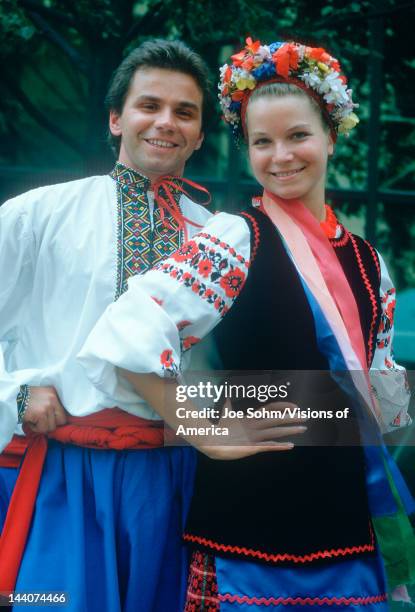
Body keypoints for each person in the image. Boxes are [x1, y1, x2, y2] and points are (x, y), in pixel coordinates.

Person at [79, 38, 415, 609]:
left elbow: (381, 399)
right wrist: (205, 428)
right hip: (249, 516)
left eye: (298, 136)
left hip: (346, 513)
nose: (281, 155)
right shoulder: (236, 237)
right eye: (263, 142)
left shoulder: (368, 261)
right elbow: (129, 329)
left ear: (332, 136)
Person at [0, 39, 217, 612]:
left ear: (199, 135)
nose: (165, 122)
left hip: (177, 477)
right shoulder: (37, 214)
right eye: (149, 105)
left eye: (185, 112)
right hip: (64, 471)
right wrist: (14, 393)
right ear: (117, 118)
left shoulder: (223, 240)